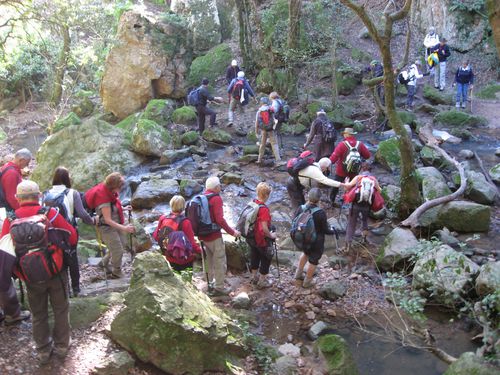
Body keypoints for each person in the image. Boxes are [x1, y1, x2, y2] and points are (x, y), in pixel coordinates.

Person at [1, 180, 77, 364]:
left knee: (39, 313)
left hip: (29, 276)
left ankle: (43, 350)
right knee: (60, 308)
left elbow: (5, 250)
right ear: (39, 196)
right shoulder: (49, 213)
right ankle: (62, 345)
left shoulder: (10, 220)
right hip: (55, 271)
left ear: (18, 199)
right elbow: (72, 236)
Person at [44, 167, 97, 297]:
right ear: (67, 178)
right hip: (69, 230)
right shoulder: (72, 193)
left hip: (51, 231)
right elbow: (82, 214)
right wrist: (92, 221)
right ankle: (76, 289)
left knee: (57, 256)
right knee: (72, 258)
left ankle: (63, 289)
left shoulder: (46, 193)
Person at [85, 172, 135, 279]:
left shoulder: (109, 192)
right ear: (114, 186)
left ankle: (103, 263)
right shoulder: (103, 198)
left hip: (115, 224)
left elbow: (114, 205)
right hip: (107, 228)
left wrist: (123, 208)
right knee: (118, 250)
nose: (121, 188)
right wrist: (125, 228)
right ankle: (116, 271)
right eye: (120, 186)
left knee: (121, 244)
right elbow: (108, 220)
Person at [198, 176, 241, 296]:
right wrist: (232, 232)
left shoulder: (201, 197)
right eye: (219, 185)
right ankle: (219, 288)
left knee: (208, 260)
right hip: (214, 236)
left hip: (202, 236)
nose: (221, 187)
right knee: (220, 261)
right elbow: (220, 220)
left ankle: (209, 282)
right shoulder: (216, 199)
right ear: (216, 187)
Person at [293, 188, 335, 288]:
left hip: (303, 238)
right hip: (316, 241)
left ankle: (298, 274)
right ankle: (307, 281)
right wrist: (333, 230)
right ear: (319, 199)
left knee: (305, 253)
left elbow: (294, 221)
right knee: (313, 261)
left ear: (308, 197)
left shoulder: (301, 208)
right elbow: (325, 230)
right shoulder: (320, 213)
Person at [153, 195, 201, 272]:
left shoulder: (163, 218)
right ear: (183, 207)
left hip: (169, 255)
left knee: (177, 277)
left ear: (171, 204)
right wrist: (201, 251)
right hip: (184, 259)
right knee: (186, 279)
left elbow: (156, 236)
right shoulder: (185, 222)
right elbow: (191, 243)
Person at [342, 163, 381, 254]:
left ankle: (348, 245)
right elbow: (379, 191)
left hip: (355, 205)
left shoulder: (358, 177)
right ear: (370, 170)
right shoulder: (373, 179)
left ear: (361, 169)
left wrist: (346, 181)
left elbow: (347, 187)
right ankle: (364, 239)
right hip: (367, 205)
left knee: (351, 223)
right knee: (364, 221)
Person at [329, 128, 371, 205]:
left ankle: (332, 200)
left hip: (341, 171)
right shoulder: (360, 144)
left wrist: (327, 162)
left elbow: (333, 158)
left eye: (344, 133)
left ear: (347, 134)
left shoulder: (342, 144)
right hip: (354, 172)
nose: (344, 135)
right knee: (353, 187)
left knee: (335, 185)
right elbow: (367, 156)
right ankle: (350, 202)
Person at [247, 182, 277, 289]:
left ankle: (253, 277)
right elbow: (264, 229)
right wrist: (271, 236)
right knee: (266, 258)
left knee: (254, 256)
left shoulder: (253, 203)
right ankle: (262, 282)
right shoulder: (263, 209)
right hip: (261, 239)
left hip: (252, 237)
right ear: (267, 195)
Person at [0, 148, 32, 212]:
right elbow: (11, 197)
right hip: (8, 209)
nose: (27, 165)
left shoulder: (8, 166)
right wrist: (22, 211)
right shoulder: (12, 173)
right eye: (27, 163)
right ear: (21, 160)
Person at [256, 97, 281, 166]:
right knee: (274, 144)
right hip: (271, 129)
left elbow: (257, 122)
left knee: (262, 144)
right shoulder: (270, 109)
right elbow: (274, 119)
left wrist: (256, 131)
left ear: (261, 103)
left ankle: (259, 159)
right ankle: (278, 160)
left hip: (263, 130)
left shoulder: (259, 111)